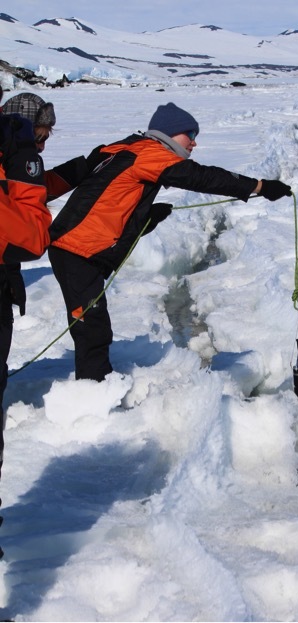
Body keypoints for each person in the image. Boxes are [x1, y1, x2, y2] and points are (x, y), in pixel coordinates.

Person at [48, 102, 292, 382]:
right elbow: (200, 177)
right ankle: (93, 394)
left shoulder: (129, 148)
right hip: (77, 249)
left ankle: (95, 385)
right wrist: (258, 186)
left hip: (77, 247)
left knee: (92, 325)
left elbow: (110, 200)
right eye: (190, 134)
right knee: (92, 327)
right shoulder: (149, 153)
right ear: (170, 133)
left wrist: (145, 218)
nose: (194, 143)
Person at [0, 90, 94, 479]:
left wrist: (77, 170)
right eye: (40, 131)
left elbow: (26, 192)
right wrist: (28, 167)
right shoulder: (17, 157)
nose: (46, 139)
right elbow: (31, 236)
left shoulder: (12, 158)